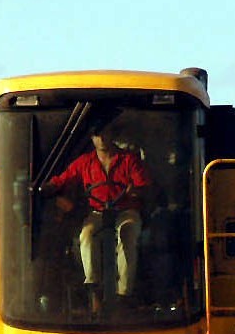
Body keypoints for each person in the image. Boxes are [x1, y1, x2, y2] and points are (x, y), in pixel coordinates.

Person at [40, 123, 152, 304]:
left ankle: (124, 293)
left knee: (127, 233)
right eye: (97, 135)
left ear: (112, 135)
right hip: (98, 212)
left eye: (105, 134)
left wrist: (135, 191)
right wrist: (49, 187)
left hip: (125, 210)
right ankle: (94, 287)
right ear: (92, 139)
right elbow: (64, 178)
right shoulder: (85, 162)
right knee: (86, 234)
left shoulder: (129, 160)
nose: (101, 139)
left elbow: (143, 186)